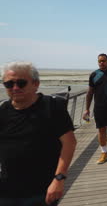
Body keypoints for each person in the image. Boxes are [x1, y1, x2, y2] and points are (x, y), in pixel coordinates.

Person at [0, 61, 77, 205]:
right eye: (9, 84)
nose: (15, 88)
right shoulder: (3, 111)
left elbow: (69, 143)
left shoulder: (53, 107)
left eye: (21, 83)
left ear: (36, 84)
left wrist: (59, 178)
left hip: (41, 190)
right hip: (6, 189)